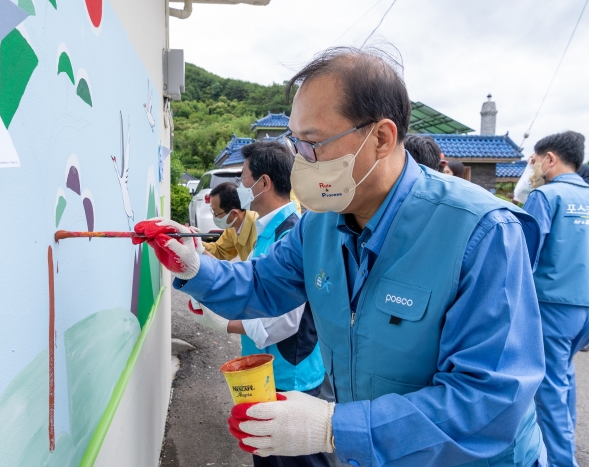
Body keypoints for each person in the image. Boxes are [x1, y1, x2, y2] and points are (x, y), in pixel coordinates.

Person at [134, 47, 545, 466]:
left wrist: (333, 427)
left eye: (312, 144)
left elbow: (490, 400)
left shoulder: (482, 232)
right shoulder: (321, 224)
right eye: (296, 144)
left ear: (381, 138)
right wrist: (196, 266)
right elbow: (263, 284)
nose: (300, 162)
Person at [191, 140, 328, 467]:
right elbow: (247, 281)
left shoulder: (290, 233)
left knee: (291, 459)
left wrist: (223, 323)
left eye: (244, 177)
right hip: (265, 368)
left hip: (289, 372)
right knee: (267, 454)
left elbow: (281, 321)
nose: (240, 186)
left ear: (264, 183)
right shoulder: (266, 230)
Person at [523, 131, 589, 467]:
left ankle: (561, 461)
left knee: (547, 391)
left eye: (533, 160)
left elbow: (524, 257)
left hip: (551, 304)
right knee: (563, 377)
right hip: (583, 308)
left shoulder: (546, 197)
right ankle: (566, 449)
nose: (531, 167)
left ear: (550, 158)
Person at [203, 182, 258, 261]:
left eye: (217, 213)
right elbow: (220, 251)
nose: (214, 216)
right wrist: (196, 243)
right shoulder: (233, 227)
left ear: (234, 213)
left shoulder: (257, 227)